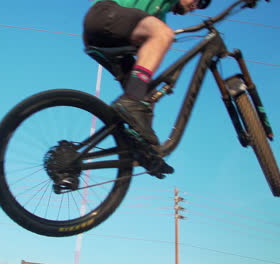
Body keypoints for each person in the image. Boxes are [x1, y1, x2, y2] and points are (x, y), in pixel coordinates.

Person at [83, 0, 211, 176]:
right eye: (199, 0)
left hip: (105, 38)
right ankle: (131, 104)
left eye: (202, 5)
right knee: (162, 34)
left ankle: (142, 149)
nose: (196, 6)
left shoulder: (160, 14)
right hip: (105, 15)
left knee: (144, 97)